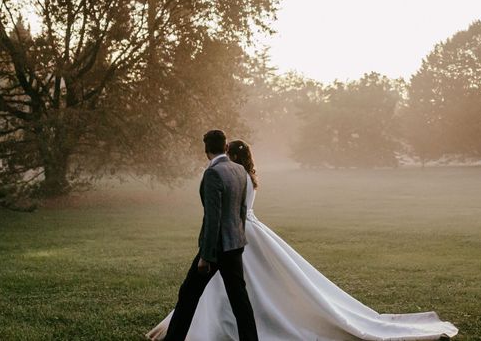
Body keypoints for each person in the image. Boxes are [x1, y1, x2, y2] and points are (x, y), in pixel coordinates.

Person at [148, 139, 458, 340]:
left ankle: (216, 329)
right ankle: (222, 328)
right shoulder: (243, 176)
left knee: (235, 289)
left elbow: (228, 213)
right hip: (242, 235)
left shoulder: (227, 176)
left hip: (235, 237)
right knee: (236, 290)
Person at [159, 130, 259, 341]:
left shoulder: (213, 173)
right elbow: (241, 210)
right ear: (225, 148)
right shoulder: (240, 171)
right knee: (239, 299)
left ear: (206, 151)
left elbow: (213, 217)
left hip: (216, 248)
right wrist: (238, 239)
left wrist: (206, 255)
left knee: (188, 294)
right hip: (235, 245)